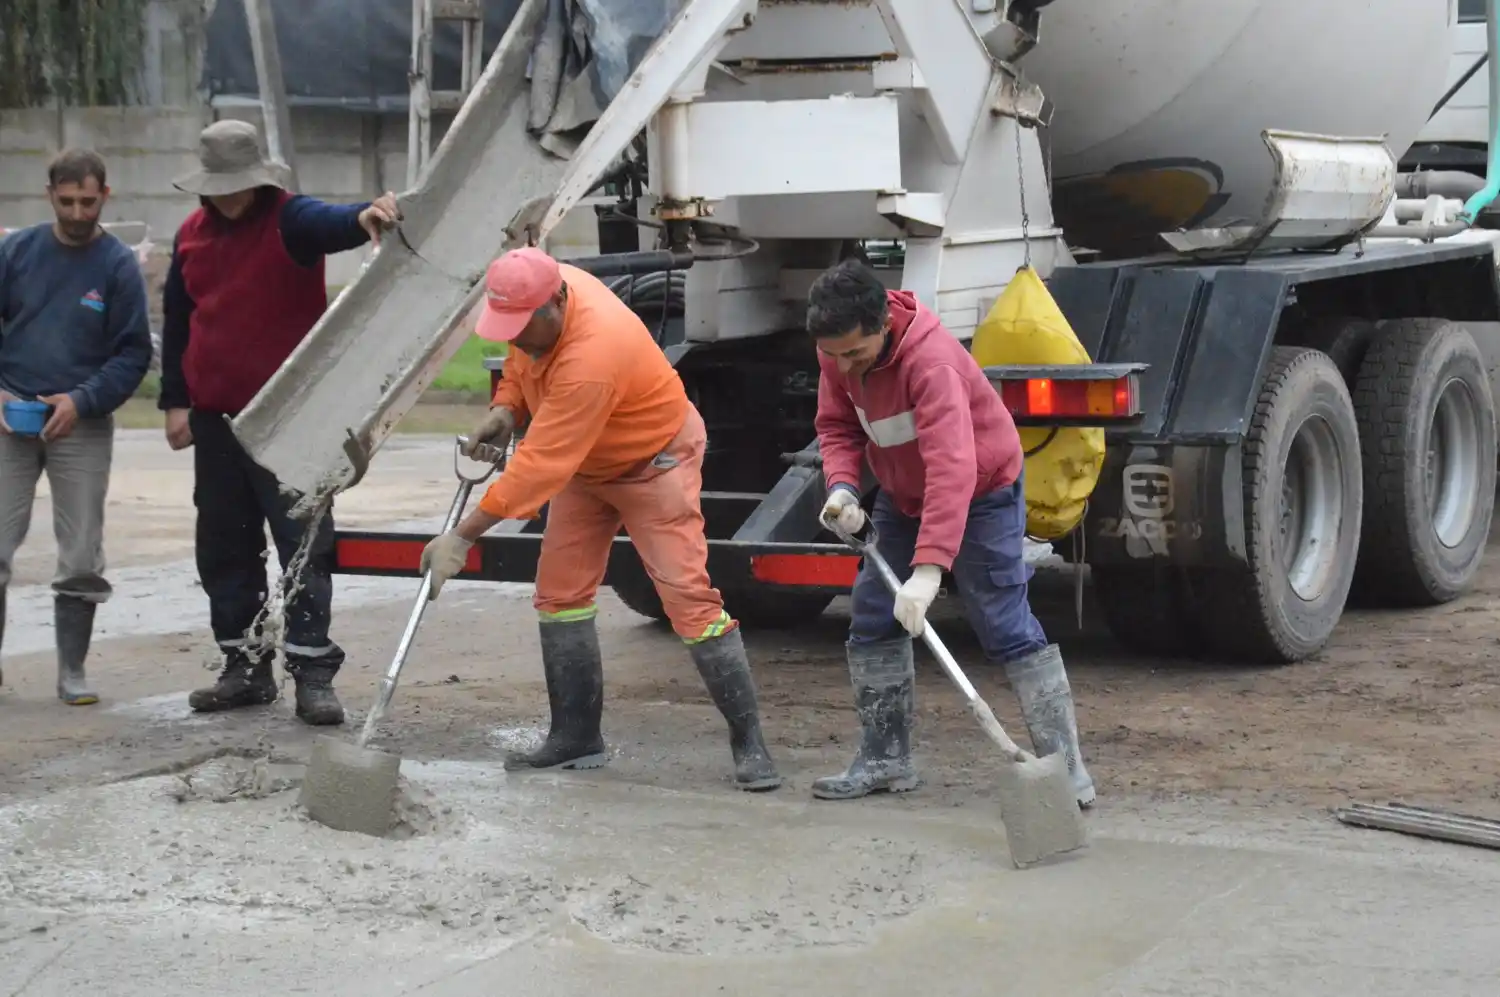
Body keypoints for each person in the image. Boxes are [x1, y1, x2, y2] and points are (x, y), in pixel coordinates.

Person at [420, 247, 782, 792]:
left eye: (523, 327)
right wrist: (507, 407)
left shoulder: (592, 355)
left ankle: (750, 743)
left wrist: (461, 536)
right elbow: (522, 357)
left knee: (688, 599)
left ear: (558, 301)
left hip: (653, 463)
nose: (517, 338)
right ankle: (575, 738)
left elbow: (538, 467)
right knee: (559, 594)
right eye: (508, 328)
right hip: (587, 466)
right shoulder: (536, 294)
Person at [807, 258, 1095, 807]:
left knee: (1003, 621)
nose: (842, 365)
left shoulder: (932, 363)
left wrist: (930, 569)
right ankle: (885, 760)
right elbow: (837, 426)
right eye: (832, 355)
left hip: (982, 489)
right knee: (873, 613)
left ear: (884, 324)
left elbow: (952, 468)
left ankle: (1066, 771)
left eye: (854, 353)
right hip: (903, 493)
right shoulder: (837, 352)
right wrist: (842, 488)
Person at [158, 119, 399, 726]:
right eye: (220, 187)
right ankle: (244, 668)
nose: (230, 196)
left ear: (259, 180)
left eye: (239, 185)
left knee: (304, 546)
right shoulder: (189, 235)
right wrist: (176, 401)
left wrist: (366, 216)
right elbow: (180, 321)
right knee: (224, 546)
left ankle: (312, 674)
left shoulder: (290, 218)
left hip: (292, 421)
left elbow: (336, 221)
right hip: (216, 421)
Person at [0, 149, 153, 703]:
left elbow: (133, 353)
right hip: (10, 419)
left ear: (105, 196)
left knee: (82, 551)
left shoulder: (116, 266)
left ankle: (72, 670)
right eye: (67, 202)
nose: (78, 213)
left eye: (88, 202)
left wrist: (83, 400)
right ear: (50, 196)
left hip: (80, 423)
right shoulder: (16, 252)